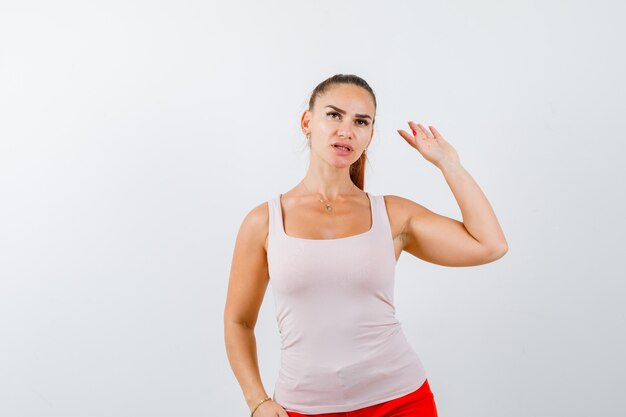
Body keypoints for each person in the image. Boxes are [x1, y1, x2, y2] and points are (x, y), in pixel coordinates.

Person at [223, 74, 508, 417]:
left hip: (400, 402)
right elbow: (238, 321)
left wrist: (449, 164)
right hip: (302, 408)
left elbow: (489, 245)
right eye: (334, 115)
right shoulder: (264, 221)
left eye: (361, 121)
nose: (347, 130)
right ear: (307, 121)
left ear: (370, 135)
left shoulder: (392, 215)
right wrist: (257, 402)